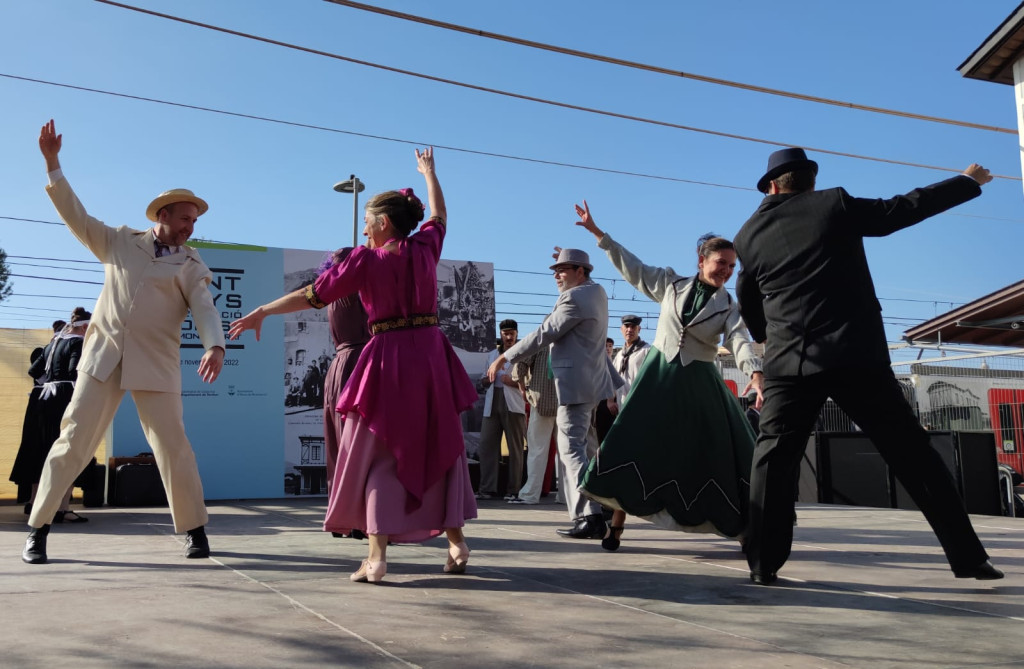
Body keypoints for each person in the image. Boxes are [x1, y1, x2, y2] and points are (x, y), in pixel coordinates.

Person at [733, 147, 1002, 584]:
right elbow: (899, 210)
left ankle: (763, 564)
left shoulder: (747, 235)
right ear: (809, 181)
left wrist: (768, 334)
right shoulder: (832, 204)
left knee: (773, 459)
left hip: (788, 363)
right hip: (853, 355)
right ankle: (969, 558)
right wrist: (966, 181)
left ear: (771, 186)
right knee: (913, 455)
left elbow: (749, 302)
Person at [229, 148, 477, 583]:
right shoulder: (424, 248)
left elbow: (312, 295)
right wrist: (431, 174)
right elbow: (439, 214)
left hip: (388, 356)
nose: (363, 229)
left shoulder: (364, 261)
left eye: (366, 222)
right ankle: (457, 543)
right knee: (439, 446)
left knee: (379, 454)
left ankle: (377, 558)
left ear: (382, 224)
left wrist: (263, 311)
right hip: (432, 356)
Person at [23, 119, 225, 565]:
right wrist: (53, 163)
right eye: (185, 218)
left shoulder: (193, 265)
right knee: (73, 439)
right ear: (163, 215)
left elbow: (206, 308)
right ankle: (38, 529)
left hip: (156, 364)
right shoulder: (118, 241)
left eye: (194, 220)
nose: (190, 226)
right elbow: (76, 215)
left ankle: (195, 530)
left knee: (173, 446)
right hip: (103, 360)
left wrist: (215, 345)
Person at [574, 204, 763, 552]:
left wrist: (754, 372)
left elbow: (738, 339)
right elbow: (634, 269)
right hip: (657, 381)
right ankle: (615, 526)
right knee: (633, 443)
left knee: (719, 451)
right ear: (702, 259)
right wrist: (599, 235)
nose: (726, 271)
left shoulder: (728, 306)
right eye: (721, 263)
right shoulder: (671, 284)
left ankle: (742, 528)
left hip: (698, 384)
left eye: (732, 266)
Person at [487, 248, 615, 540]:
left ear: (581, 271)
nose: (556, 276)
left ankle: (589, 516)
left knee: (571, 450)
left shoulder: (575, 297)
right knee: (584, 448)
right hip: (591, 384)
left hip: (574, 385)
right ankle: (602, 504)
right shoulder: (597, 292)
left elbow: (545, 332)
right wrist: (568, 256)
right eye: (555, 271)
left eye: (563, 270)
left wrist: (505, 356)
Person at [10, 320, 65, 511]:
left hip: (39, 405)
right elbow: (34, 372)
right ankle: (45, 502)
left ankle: (34, 500)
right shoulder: (47, 351)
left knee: (38, 452)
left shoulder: (46, 351)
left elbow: (34, 372)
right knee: (45, 451)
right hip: (47, 405)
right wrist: (49, 382)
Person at [477, 319, 527, 501]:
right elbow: (482, 381)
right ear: (501, 335)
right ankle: (487, 489)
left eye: (512, 334)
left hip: (513, 404)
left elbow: (529, 382)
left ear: (516, 334)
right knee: (487, 445)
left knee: (515, 448)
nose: (508, 337)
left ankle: (513, 490)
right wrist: (487, 380)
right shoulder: (492, 355)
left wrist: (512, 382)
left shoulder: (523, 354)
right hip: (493, 402)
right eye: (505, 334)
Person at [509, 346, 559, 505]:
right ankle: (567, 496)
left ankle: (530, 494)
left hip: (541, 401)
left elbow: (520, 365)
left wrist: (522, 389)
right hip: (568, 402)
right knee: (568, 453)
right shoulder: (572, 339)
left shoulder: (540, 341)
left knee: (537, 450)